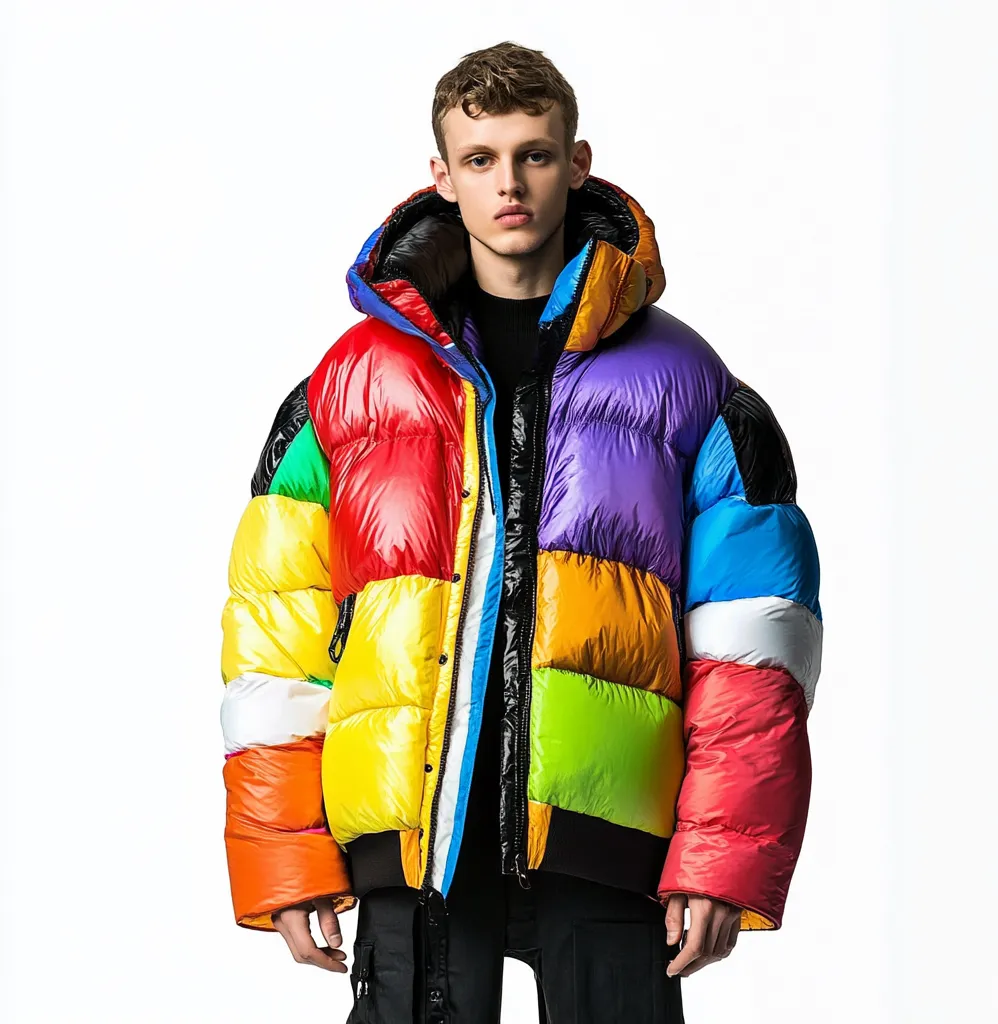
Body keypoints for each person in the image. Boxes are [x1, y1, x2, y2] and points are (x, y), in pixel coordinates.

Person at [217, 39, 822, 1023]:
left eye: (534, 154)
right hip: (413, 840)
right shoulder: (344, 389)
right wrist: (285, 853)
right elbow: (275, 639)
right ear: (441, 175)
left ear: (576, 164)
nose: (509, 183)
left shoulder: (690, 386)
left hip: (609, 831)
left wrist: (721, 853)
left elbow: (754, 645)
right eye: (481, 158)